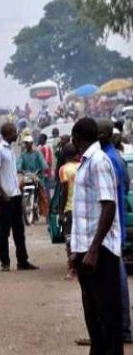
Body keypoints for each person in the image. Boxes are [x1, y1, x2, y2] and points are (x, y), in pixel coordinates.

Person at [70, 118, 123, 354]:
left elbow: (108, 206)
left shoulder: (99, 162)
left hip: (100, 251)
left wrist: (92, 250)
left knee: (107, 316)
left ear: (77, 138)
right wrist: (77, 250)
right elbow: (83, 211)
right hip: (87, 250)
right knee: (93, 315)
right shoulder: (85, 162)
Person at [98, 119, 132, 344]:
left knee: (116, 281)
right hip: (116, 224)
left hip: (111, 226)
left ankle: (122, 330)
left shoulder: (108, 159)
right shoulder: (116, 158)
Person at [0, 123, 38, 272]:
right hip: (7, 197)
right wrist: (4, 194)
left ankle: (22, 261)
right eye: (15, 132)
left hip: (16, 195)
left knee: (19, 230)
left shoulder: (10, 150)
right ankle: (5, 262)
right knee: (4, 231)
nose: (17, 134)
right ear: (8, 133)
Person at [57, 143, 79, 280]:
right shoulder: (82, 165)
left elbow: (64, 191)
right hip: (83, 208)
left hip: (70, 209)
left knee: (70, 239)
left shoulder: (64, 169)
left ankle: (72, 269)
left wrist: (60, 210)